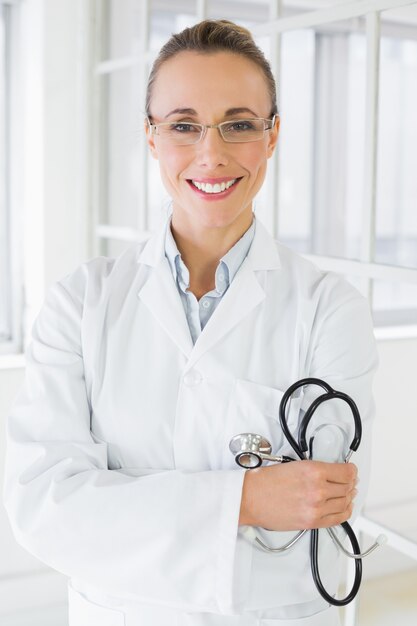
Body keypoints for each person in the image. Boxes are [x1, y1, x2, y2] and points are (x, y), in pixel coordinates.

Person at [4, 19, 378, 626]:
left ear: (272, 135)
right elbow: (45, 507)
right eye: (183, 125)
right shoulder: (80, 303)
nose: (212, 153)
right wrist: (247, 500)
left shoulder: (331, 308)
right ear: (151, 138)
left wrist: (129, 512)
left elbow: (324, 516)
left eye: (239, 124)